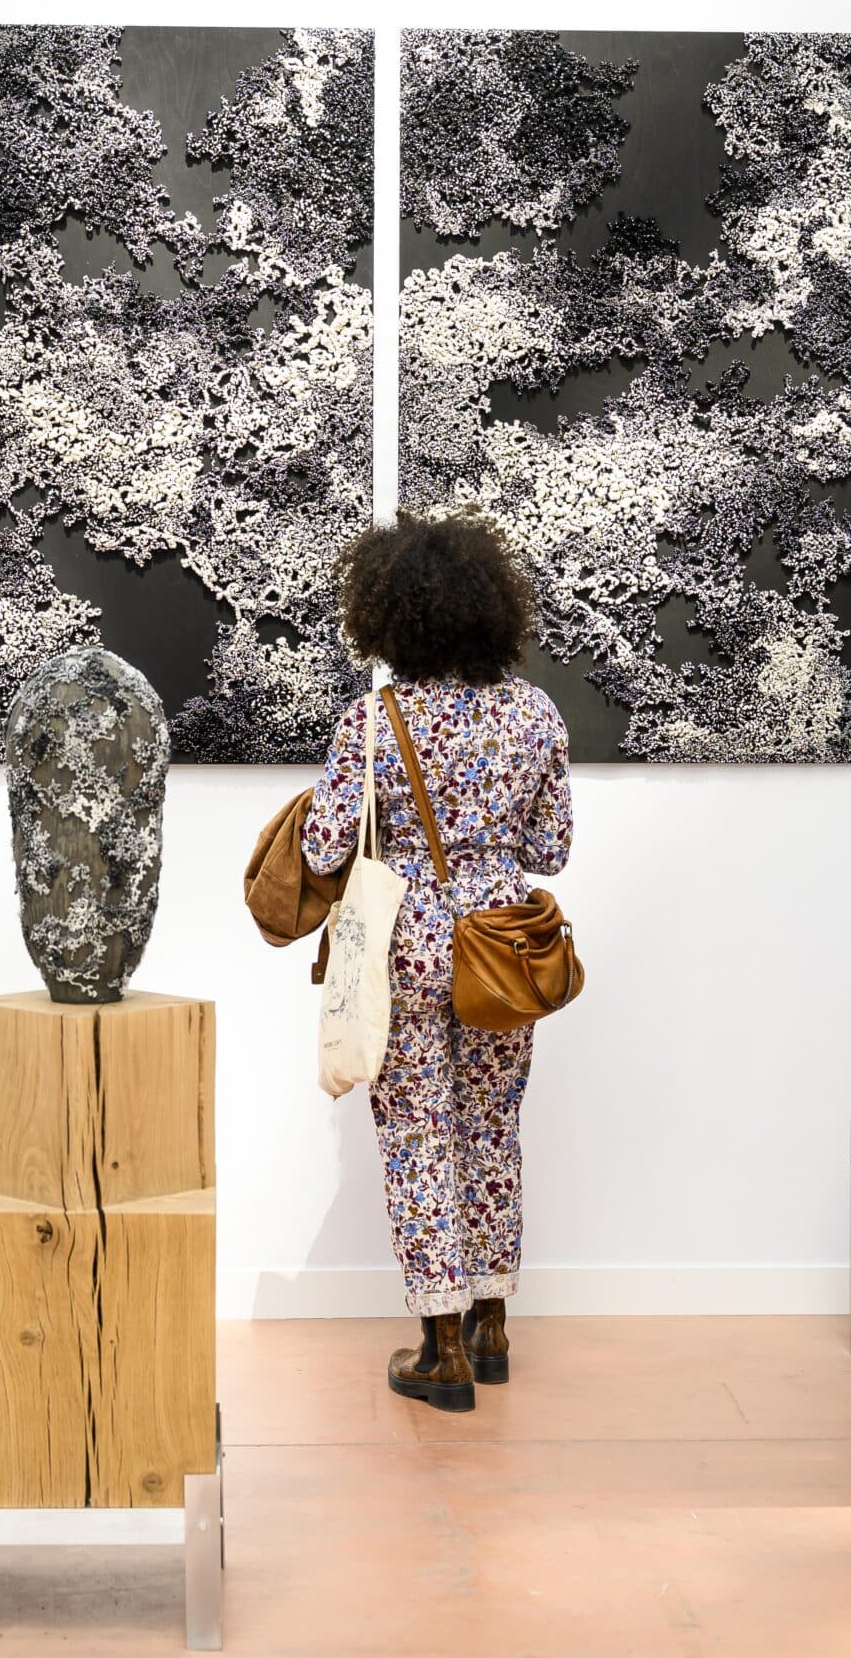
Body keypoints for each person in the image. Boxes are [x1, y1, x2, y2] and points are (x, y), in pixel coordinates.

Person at [302, 509, 573, 1413]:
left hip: (408, 942)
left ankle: (441, 1350)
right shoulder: (534, 712)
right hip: (502, 946)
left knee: (418, 1135)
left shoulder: (374, 723)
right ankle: (493, 1327)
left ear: (387, 617)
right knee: (492, 1128)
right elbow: (551, 849)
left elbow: (322, 848)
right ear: (493, 607)